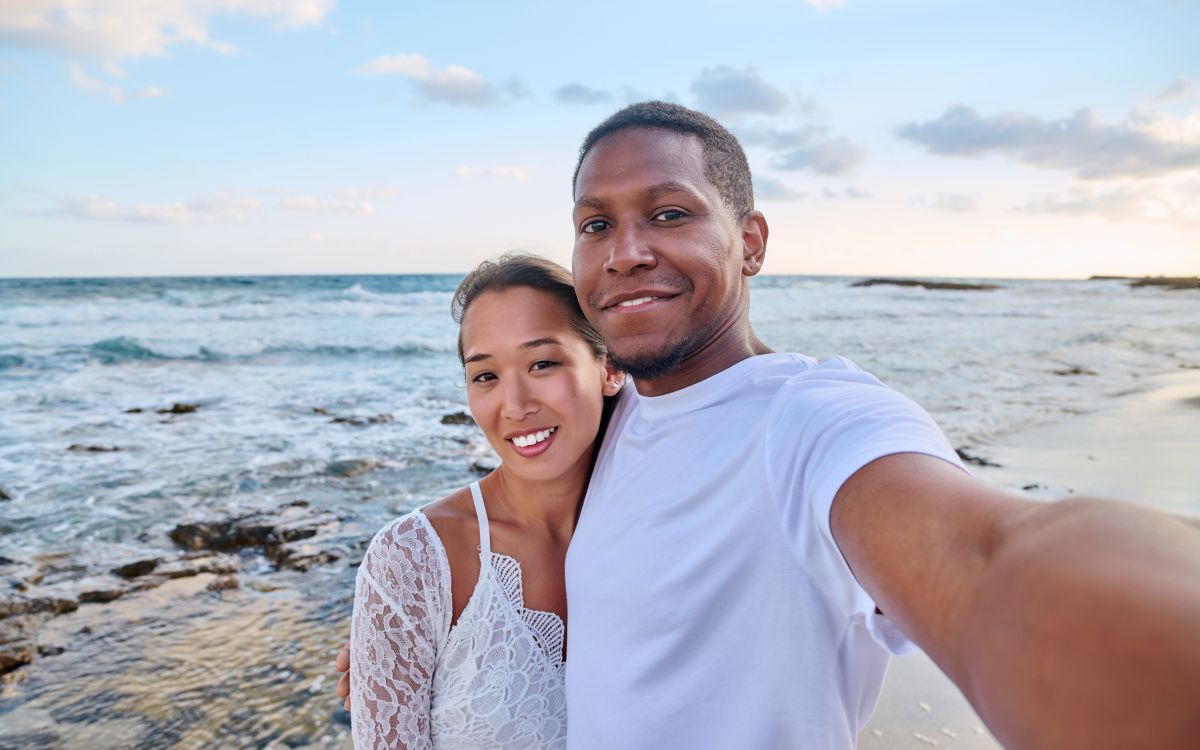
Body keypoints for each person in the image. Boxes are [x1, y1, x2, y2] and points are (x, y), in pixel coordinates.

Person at [341, 102, 1200, 749]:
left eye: (669, 213)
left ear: (750, 240)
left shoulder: (813, 422)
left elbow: (993, 557)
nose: (626, 250)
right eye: (595, 225)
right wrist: (413, 638)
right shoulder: (626, 408)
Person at [347, 255, 623, 748]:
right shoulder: (412, 560)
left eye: (542, 363)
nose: (515, 406)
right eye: (486, 376)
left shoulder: (663, 523)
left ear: (610, 368)